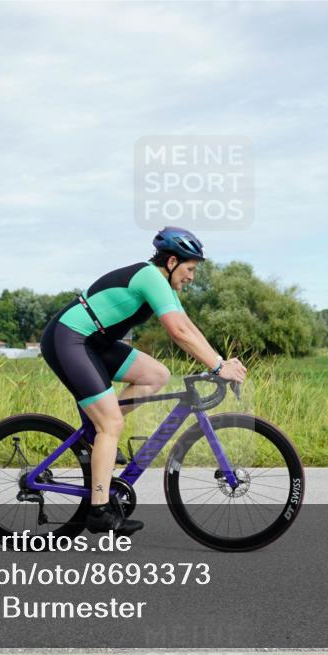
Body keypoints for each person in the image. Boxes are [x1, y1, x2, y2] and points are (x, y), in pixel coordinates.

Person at [39, 227, 248, 535]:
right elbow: (178, 333)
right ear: (173, 261)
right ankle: (98, 511)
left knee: (156, 375)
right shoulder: (151, 276)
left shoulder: (164, 286)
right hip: (69, 338)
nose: (192, 276)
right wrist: (218, 368)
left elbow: (187, 326)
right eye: (190, 269)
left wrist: (219, 361)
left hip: (93, 343)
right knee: (111, 425)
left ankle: (98, 435)